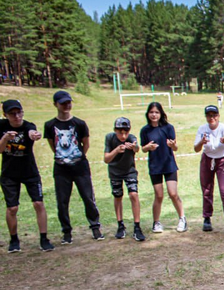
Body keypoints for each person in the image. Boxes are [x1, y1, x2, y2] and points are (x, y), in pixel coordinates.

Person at [44, 90, 104, 243]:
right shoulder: (50, 125)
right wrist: (64, 158)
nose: (66, 105)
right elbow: (53, 145)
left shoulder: (79, 123)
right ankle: (66, 231)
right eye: (63, 103)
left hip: (80, 167)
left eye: (68, 102)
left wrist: (76, 157)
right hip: (61, 169)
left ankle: (95, 227)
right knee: (62, 201)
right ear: (55, 104)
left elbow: (86, 144)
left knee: (88, 198)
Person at [0, 99, 54, 252]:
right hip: (9, 174)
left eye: (19, 113)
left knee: (38, 203)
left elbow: (32, 132)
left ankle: (44, 238)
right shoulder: (1, 127)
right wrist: (5, 138)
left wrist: (34, 135)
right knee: (12, 208)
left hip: (30, 172)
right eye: (12, 114)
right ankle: (14, 240)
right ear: (5, 115)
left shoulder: (28, 125)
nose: (17, 116)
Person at [140, 102, 187, 233]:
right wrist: (147, 148)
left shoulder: (168, 128)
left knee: (173, 193)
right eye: (151, 112)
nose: (154, 115)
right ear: (148, 114)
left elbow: (175, 147)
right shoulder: (145, 130)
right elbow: (143, 149)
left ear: (161, 114)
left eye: (156, 112)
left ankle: (182, 218)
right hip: (155, 166)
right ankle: (156, 222)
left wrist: (172, 145)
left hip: (169, 164)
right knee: (159, 195)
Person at [194, 105, 224, 238]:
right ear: (206, 117)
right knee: (207, 190)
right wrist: (201, 142)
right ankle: (207, 218)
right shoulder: (202, 129)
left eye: (214, 115)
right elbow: (196, 148)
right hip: (207, 160)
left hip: (222, 161)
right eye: (209, 116)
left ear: (218, 116)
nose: (212, 118)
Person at [103, 117, 145, 241]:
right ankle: (120, 225)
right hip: (115, 172)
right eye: (120, 132)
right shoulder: (109, 138)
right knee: (118, 196)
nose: (123, 135)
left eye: (126, 132)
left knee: (133, 195)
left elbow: (137, 148)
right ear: (115, 130)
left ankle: (137, 227)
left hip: (129, 171)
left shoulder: (131, 138)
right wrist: (116, 150)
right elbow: (106, 159)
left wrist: (133, 147)